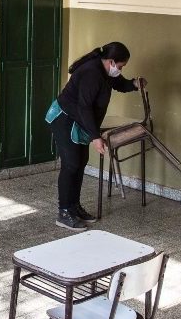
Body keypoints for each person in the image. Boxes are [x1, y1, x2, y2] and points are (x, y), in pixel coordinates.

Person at [46, 42, 147, 231]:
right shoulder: (91, 73)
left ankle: (74, 206)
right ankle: (64, 212)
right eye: (121, 66)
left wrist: (133, 84)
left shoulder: (106, 71)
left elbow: (119, 83)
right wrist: (95, 137)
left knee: (80, 161)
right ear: (111, 61)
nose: (120, 69)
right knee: (71, 164)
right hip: (65, 118)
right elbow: (84, 107)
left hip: (80, 120)